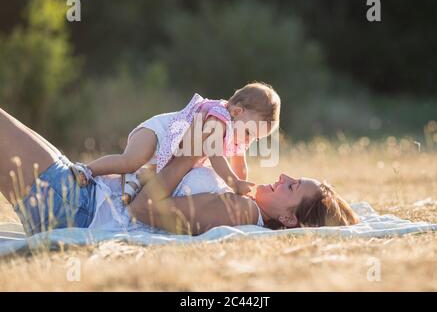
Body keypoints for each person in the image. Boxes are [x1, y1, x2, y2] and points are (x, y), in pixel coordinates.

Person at [0, 106, 359, 237]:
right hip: (77, 196)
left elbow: (145, 210)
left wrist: (189, 155)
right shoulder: (242, 199)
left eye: (292, 187)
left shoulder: (241, 212)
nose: (283, 177)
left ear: (290, 219)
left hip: (77, 205)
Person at [71, 82, 281, 204]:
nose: (249, 140)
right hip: (159, 132)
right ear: (237, 112)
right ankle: (86, 169)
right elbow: (215, 153)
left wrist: (241, 191)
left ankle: (134, 182)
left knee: (158, 176)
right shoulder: (220, 116)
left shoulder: (237, 135)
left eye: (255, 138)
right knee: (132, 160)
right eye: (248, 132)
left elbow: (240, 166)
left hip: (172, 151)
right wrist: (233, 182)